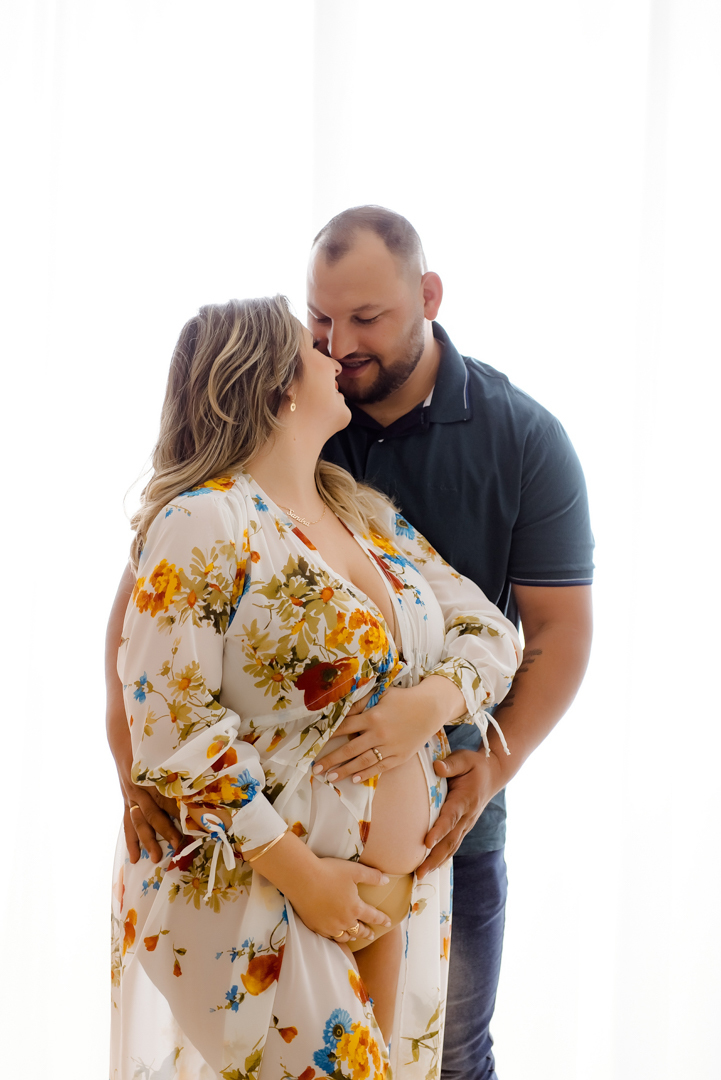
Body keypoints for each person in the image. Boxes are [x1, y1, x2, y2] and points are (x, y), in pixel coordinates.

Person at [108, 206, 594, 1080]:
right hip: (281, 884)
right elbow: (154, 676)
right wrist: (133, 769)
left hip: (429, 863)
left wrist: (441, 714)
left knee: (450, 1060)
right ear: (277, 387)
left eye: (364, 319)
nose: (336, 348)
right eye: (318, 327)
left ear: (428, 297)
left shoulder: (371, 503)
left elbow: (514, 630)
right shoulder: (210, 516)